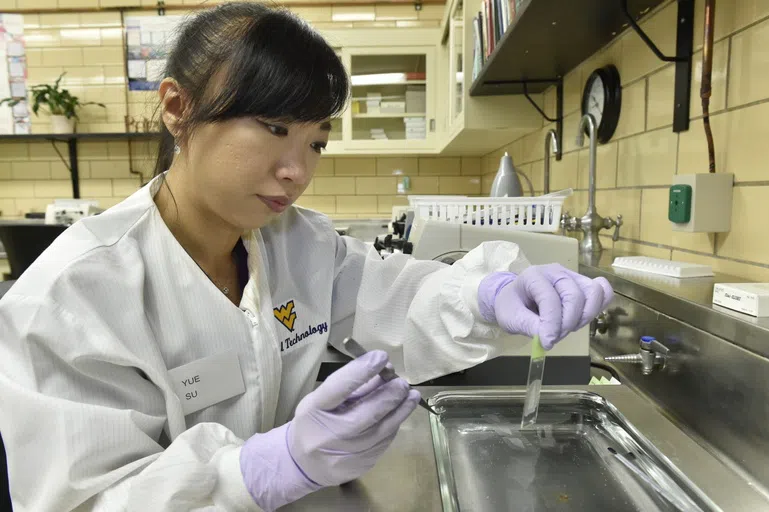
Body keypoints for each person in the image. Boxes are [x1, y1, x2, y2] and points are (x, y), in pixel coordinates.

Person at [0, 3, 612, 511]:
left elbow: (392, 294)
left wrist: (492, 292)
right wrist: (264, 469)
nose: (296, 171)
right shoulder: (71, 298)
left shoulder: (295, 243)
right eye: (271, 127)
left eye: (315, 141)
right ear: (178, 108)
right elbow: (84, 500)